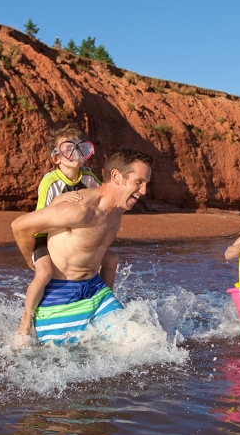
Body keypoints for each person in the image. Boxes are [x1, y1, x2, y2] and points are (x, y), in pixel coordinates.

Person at [11, 147, 153, 345]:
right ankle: (25, 324)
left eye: (146, 183)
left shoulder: (118, 208)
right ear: (117, 177)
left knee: (145, 343)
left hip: (96, 291)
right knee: (57, 365)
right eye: (139, 182)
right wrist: (31, 261)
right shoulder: (80, 209)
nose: (144, 191)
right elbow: (19, 226)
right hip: (60, 298)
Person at [17, 123, 119, 335]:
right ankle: (25, 322)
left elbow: (102, 201)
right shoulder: (50, 181)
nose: (75, 153)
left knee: (110, 260)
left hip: (72, 239)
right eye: (67, 148)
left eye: (80, 147)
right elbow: (38, 219)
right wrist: (58, 201)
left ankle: (103, 303)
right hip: (44, 237)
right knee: (44, 272)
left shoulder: (90, 178)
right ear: (56, 158)